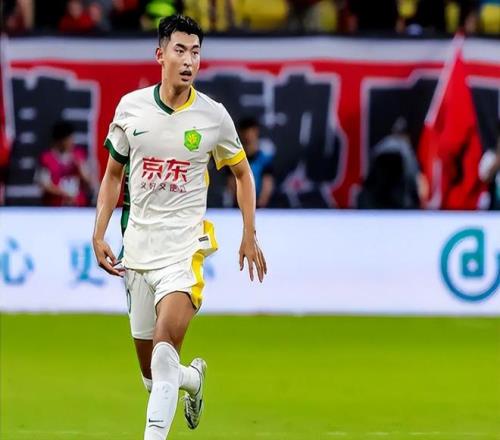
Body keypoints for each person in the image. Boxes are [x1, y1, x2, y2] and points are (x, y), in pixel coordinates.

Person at [92, 14, 267, 440]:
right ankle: (193, 379)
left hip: (184, 251)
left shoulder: (213, 117)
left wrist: (249, 233)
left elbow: (243, 174)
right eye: (180, 50)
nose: (189, 61)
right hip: (137, 250)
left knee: (164, 351)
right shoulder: (131, 109)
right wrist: (98, 233)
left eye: (196, 52)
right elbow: (113, 176)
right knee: (154, 378)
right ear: (160, 55)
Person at [35, 121, 92, 206]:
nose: (72, 142)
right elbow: (44, 184)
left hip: (78, 207)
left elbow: (89, 182)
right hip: (55, 208)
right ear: (60, 140)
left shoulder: (79, 155)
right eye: (69, 139)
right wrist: (64, 194)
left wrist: (80, 168)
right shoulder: (46, 158)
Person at [225, 117, 275, 208]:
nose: (247, 136)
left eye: (251, 132)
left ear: (256, 132)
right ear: (240, 134)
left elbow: (267, 185)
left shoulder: (264, 160)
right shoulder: (233, 159)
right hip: (239, 208)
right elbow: (231, 184)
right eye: (245, 132)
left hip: (260, 208)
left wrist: (260, 204)